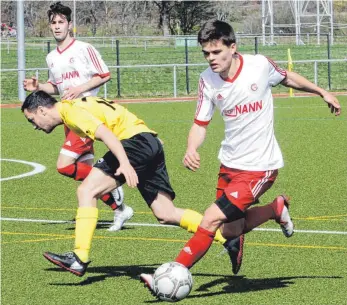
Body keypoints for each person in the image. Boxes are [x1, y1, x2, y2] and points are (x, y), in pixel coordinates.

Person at [140, 19, 341, 290]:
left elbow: (287, 77)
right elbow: (200, 123)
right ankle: (274, 209)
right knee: (229, 231)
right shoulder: (206, 80)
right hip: (229, 164)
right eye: (206, 54)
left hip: (260, 167)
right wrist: (191, 148)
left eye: (216, 52)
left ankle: (169, 274)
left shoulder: (259, 65)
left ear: (232, 47)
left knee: (210, 219)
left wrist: (321, 91)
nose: (211, 59)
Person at [21, 91, 240, 277]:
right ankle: (228, 239)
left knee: (86, 190)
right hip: (147, 141)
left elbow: (107, 134)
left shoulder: (72, 112)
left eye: (32, 120)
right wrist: (150, 139)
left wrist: (125, 163)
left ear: (42, 110)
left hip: (132, 145)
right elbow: (119, 115)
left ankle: (79, 257)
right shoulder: (76, 104)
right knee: (166, 212)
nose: (34, 126)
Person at [23, 2, 132, 232]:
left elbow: (104, 74)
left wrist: (80, 88)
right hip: (67, 117)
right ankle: (119, 210)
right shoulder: (51, 57)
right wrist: (38, 86)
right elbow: (56, 87)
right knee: (86, 178)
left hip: (85, 113)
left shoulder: (84, 48)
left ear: (70, 25)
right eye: (53, 23)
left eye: (61, 22)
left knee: (64, 166)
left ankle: (113, 188)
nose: (57, 27)